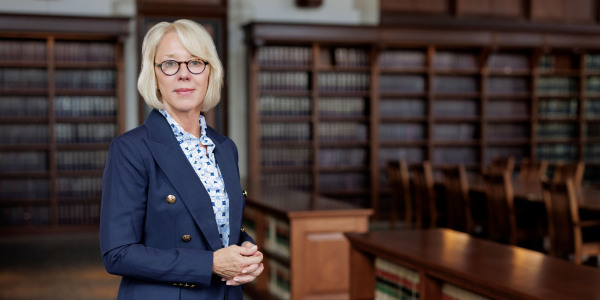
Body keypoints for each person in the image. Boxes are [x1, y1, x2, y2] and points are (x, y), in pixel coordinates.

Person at [100, 19, 263, 300]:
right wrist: (210, 264)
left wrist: (245, 251)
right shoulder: (130, 149)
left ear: (210, 72)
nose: (184, 74)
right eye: (170, 63)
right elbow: (117, 253)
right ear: (155, 75)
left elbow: (220, 230)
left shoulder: (224, 147)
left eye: (195, 62)